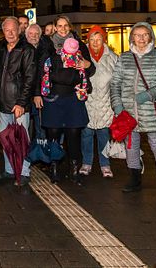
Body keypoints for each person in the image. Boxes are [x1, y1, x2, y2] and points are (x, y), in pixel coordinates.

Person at [110, 22, 156, 197]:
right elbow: (115, 83)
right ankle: (134, 179)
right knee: (131, 146)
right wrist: (117, 105)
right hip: (128, 111)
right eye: (137, 35)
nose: (141, 38)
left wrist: (147, 95)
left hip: (151, 111)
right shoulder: (124, 57)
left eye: (145, 34)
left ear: (150, 37)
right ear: (132, 37)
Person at [38, 18, 95, 185]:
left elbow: (90, 68)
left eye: (65, 26)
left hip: (72, 97)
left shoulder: (79, 44)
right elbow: (40, 70)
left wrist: (87, 64)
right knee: (53, 134)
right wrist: (37, 93)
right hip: (53, 97)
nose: (62, 29)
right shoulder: (47, 44)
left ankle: (74, 170)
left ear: (69, 27)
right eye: (59, 26)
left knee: (73, 134)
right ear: (55, 27)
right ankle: (54, 169)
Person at [0, 17, 36, 186]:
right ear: (3, 32)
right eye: (7, 30)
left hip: (18, 105)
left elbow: (30, 79)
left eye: (13, 30)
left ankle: (24, 172)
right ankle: (10, 170)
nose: (10, 33)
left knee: (21, 140)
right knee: (6, 140)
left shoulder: (27, 49)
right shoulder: (0, 48)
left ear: (19, 30)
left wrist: (22, 103)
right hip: (2, 103)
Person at [82, 26, 117, 178]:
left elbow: (118, 83)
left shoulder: (113, 58)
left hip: (105, 105)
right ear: (87, 41)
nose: (95, 43)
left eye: (99, 39)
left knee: (104, 136)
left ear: (104, 40)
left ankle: (105, 164)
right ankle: (86, 163)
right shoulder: (82, 57)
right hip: (86, 104)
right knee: (86, 135)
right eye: (92, 39)